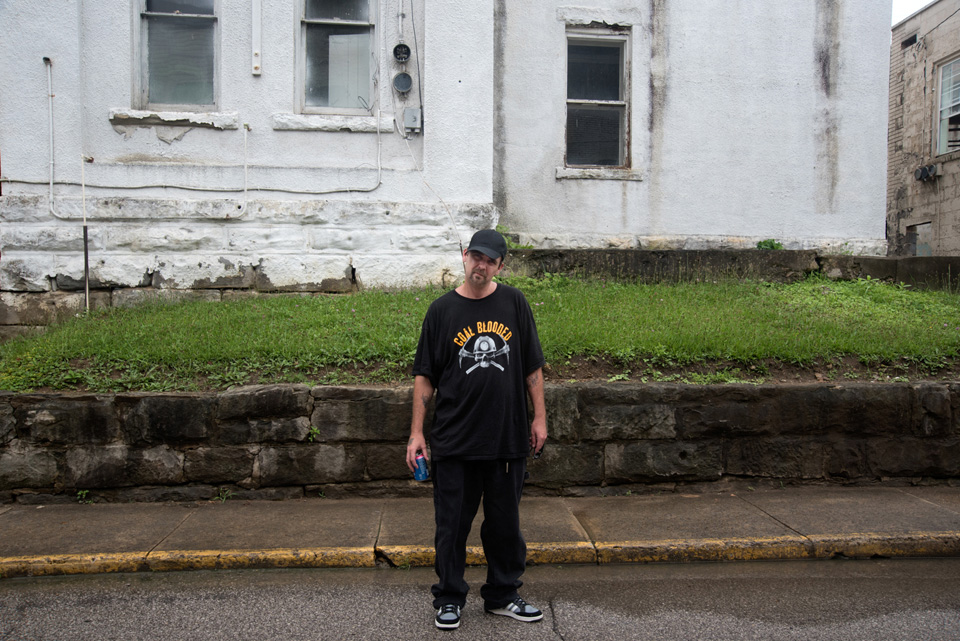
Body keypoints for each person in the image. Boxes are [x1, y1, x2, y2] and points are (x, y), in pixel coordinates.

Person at [406, 228, 547, 630]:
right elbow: (424, 377)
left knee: (505, 527)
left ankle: (503, 595)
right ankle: (449, 598)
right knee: (451, 526)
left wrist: (540, 418)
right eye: (475, 256)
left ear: (500, 265)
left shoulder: (514, 303)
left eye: (489, 260)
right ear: (464, 256)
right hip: (454, 439)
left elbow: (531, 367)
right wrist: (417, 433)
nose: (480, 265)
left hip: (506, 437)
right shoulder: (441, 311)